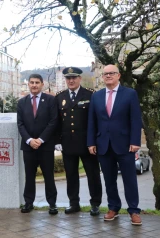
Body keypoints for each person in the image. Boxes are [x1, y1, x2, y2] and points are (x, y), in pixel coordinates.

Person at [87, 64, 143, 226]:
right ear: (102, 77)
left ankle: (133, 210)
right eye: (105, 74)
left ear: (119, 76)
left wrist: (135, 141)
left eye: (112, 73)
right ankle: (113, 208)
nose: (108, 76)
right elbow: (92, 121)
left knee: (129, 179)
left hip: (125, 145)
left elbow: (135, 119)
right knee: (109, 179)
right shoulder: (96, 96)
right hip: (103, 144)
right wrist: (91, 142)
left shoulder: (130, 94)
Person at [55, 67, 102, 216]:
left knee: (93, 175)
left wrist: (93, 141)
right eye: (68, 78)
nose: (71, 80)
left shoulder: (90, 94)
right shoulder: (60, 97)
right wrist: (57, 140)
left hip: (87, 144)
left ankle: (95, 204)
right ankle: (73, 203)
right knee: (71, 176)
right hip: (68, 144)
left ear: (79, 79)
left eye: (74, 77)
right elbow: (56, 121)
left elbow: (95, 120)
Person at [17, 74, 58, 215]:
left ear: (42, 84)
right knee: (29, 176)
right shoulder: (21, 102)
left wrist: (40, 140)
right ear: (28, 84)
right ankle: (28, 203)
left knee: (48, 176)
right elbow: (20, 124)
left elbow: (53, 122)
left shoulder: (51, 100)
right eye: (32, 82)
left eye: (37, 82)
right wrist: (29, 140)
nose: (34, 85)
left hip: (45, 146)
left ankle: (52, 204)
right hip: (28, 147)